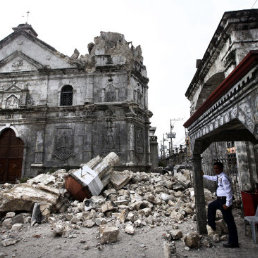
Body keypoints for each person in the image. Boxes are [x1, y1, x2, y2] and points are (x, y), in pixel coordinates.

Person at [203, 161, 239, 248]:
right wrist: (203, 175)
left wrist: (227, 204)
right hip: (219, 200)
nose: (216, 170)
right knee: (211, 206)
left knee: (229, 221)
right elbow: (213, 178)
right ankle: (212, 224)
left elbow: (229, 191)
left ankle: (233, 242)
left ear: (221, 168)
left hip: (224, 201)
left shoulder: (224, 178)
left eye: (217, 168)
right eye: (214, 168)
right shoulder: (219, 176)